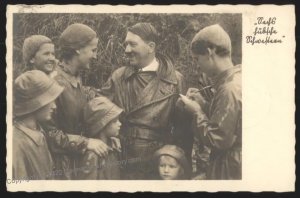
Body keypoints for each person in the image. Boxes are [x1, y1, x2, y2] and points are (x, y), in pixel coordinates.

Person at [101, 22, 191, 179]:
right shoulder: (118, 76)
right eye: (126, 44)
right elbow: (100, 116)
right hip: (123, 158)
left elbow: (183, 131)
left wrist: (182, 170)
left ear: (151, 47)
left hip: (159, 163)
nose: (127, 50)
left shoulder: (175, 80)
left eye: (132, 44)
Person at [43, 23, 111, 179]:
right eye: (93, 50)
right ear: (78, 50)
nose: (95, 56)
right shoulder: (53, 83)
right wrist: (86, 143)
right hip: (61, 169)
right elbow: (48, 134)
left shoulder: (75, 77)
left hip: (78, 164)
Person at [179, 24, 242, 179]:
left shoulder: (229, 88)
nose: (197, 64)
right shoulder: (239, 78)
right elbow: (230, 123)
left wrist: (196, 112)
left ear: (209, 52)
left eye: (197, 58)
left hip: (230, 169)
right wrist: (204, 105)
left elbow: (218, 140)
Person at [13, 70, 64, 180]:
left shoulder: (39, 133)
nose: (54, 106)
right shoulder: (16, 145)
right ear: (35, 103)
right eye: (50, 100)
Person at [77, 97, 123, 180]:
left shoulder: (114, 147)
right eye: (115, 121)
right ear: (102, 124)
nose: (120, 124)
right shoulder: (92, 156)